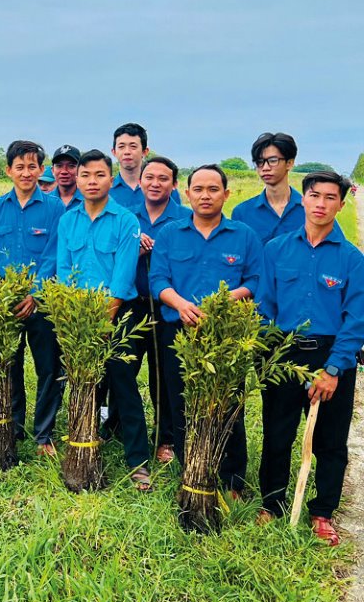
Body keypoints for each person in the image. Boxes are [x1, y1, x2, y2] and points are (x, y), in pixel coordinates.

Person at [257, 171, 364, 546]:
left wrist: (334, 369)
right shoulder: (276, 249)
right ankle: (271, 503)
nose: (320, 203)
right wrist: (265, 354)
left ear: (341, 203)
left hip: (331, 352)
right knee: (277, 433)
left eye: (329, 197)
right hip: (283, 351)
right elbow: (264, 306)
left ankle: (322, 512)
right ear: (303, 199)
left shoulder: (352, 258)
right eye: (314, 195)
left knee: (330, 440)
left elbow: (356, 319)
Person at [149, 164, 263, 498]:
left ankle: (231, 479)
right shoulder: (171, 234)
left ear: (226, 194)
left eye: (213, 189)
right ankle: (191, 469)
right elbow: (158, 280)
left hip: (225, 336)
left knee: (227, 405)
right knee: (182, 403)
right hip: (179, 333)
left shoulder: (244, 236)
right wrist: (181, 304)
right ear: (186, 194)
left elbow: (255, 281)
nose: (205, 195)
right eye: (198, 189)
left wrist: (226, 301)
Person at [0, 140, 64, 456]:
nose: (26, 172)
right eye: (19, 166)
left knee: (48, 367)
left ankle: (44, 434)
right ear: (9, 170)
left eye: (32, 166)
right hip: (4, 301)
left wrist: (34, 294)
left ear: (40, 170)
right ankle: (14, 425)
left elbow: (54, 256)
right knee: (9, 365)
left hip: (42, 302)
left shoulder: (54, 208)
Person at [56, 149, 150, 489]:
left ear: (111, 179)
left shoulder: (126, 220)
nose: (91, 182)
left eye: (99, 175)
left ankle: (138, 461)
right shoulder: (68, 220)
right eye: (85, 175)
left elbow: (123, 276)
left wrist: (104, 319)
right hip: (78, 315)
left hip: (117, 313)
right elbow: (64, 270)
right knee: (82, 383)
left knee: (123, 383)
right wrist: (75, 318)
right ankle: (85, 443)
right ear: (76, 180)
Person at [121, 156, 192, 463]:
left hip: (167, 309)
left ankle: (166, 437)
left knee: (164, 375)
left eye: (163, 179)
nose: (155, 183)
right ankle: (121, 429)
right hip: (133, 305)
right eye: (149, 177)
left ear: (174, 184)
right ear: (141, 181)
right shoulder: (126, 217)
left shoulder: (185, 219)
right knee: (123, 370)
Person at [231, 132, 307, 245]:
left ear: (289, 163)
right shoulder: (242, 212)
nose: (265, 168)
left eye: (273, 161)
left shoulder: (310, 210)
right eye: (259, 162)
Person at [108, 122, 182, 206]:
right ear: (114, 152)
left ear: (145, 151)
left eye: (133, 146)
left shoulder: (166, 189)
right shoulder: (105, 190)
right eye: (121, 147)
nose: (127, 152)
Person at [49, 144, 84, 211]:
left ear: (80, 169)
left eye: (71, 166)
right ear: (53, 170)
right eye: (59, 166)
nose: (64, 171)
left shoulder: (90, 201)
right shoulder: (45, 202)